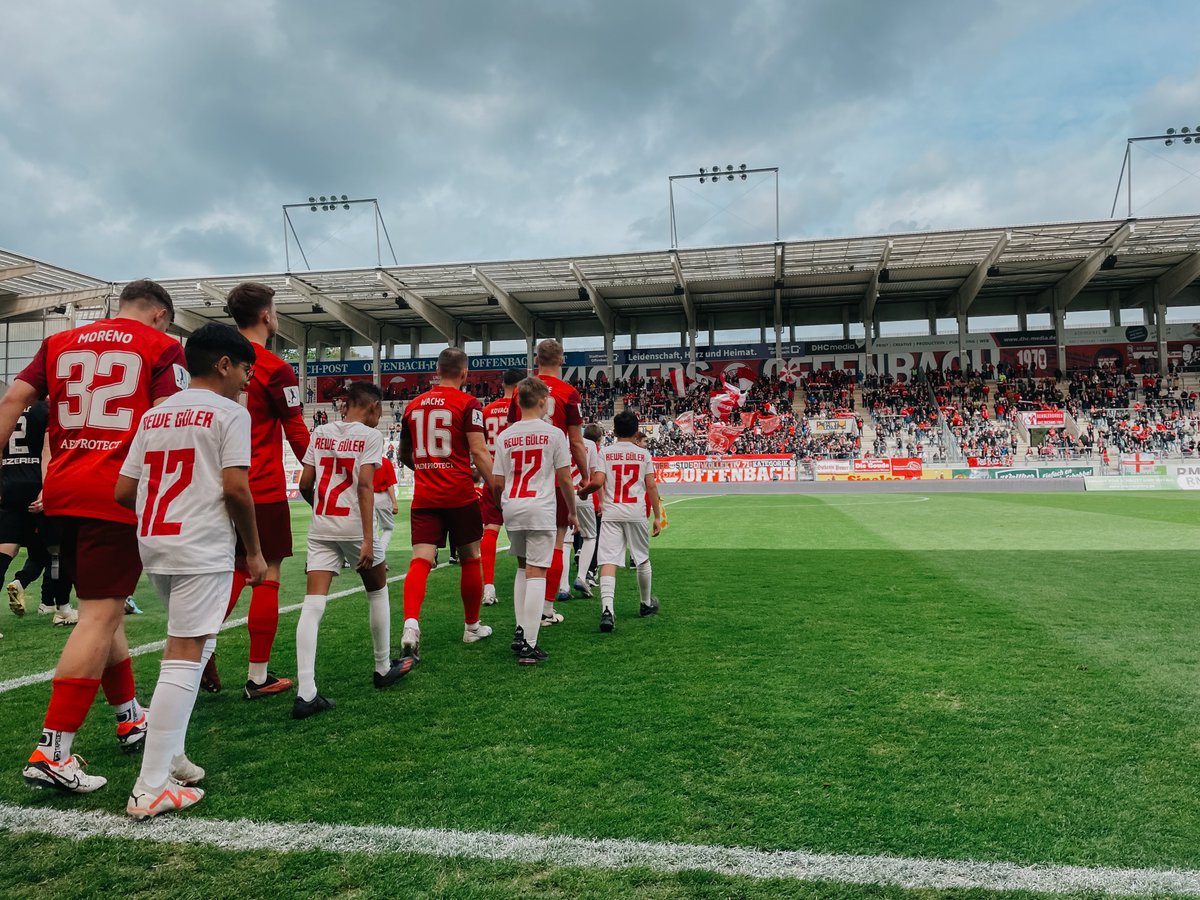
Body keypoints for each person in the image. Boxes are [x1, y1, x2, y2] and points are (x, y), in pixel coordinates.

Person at [0, 279, 189, 793]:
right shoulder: (161, 346)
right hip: (117, 492)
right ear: (159, 316)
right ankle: (54, 748)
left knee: (100, 611)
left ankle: (129, 717)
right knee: (102, 615)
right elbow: (170, 421)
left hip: (61, 489)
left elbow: (14, 398)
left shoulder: (60, 342)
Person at [115, 323, 266, 818]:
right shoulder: (230, 413)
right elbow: (236, 489)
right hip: (200, 543)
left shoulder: (156, 412)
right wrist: (254, 551)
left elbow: (123, 491)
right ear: (224, 363)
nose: (247, 380)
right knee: (185, 651)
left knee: (194, 642)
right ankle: (151, 783)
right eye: (246, 368)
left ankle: (171, 752)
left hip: (156, 540)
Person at [207, 282, 310, 699]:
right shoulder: (275, 367)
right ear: (267, 316)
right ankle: (257, 675)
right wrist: (320, 472)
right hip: (260, 487)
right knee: (266, 576)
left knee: (225, 574)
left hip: (211, 486)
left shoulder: (213, 362)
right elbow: (296, 429)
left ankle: (196, 650)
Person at [294, 381, 412, 720]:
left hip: (321, 525)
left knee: (313, 605)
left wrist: (320, 510)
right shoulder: (371, 436)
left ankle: (306, 692)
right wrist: (364, 538)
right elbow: (364, 485)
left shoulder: (320, 433)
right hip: (353, 524)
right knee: (377, 592)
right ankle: (381, 667)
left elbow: (305, 484)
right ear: (374, 407)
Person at [398, 348, 495, 661]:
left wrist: (428, 470)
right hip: (459, 493)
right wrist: (498, 487)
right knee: (470, 557)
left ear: (437, 371)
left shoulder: (412, 406)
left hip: (425, 495)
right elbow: (479, 452)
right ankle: (471, 627)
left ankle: (411, 625)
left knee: (421, 560)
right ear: (464, 373)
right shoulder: (468, 403)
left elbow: (403, 455)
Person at [492, 377, 576, 665]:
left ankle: (520, 629)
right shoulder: (553, 434)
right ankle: (529, 642)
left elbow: (497, 481)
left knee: (521, 567)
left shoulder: (505, 436)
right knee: (537, 571)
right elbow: (565, 478)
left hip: (513, 506)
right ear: (543, 402)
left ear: (517, 401)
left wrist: (502, 503)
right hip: (540, 507)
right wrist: (573, 510)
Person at [507, 340, 588, 627]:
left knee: (523, 560)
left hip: (521, 479)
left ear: (536, 359)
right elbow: (576, 442)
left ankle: (525, 621)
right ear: (561, 360)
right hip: (553, 476)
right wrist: (586, 476)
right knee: (557, 541)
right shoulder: (569, 392)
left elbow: (512, 432)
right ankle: (545, 609)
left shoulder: (521, 389)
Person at [1, 400, 74, 624]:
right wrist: (46, 489)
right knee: (59, 551)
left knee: (5, 550)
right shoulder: (47, 410)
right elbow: (47, 450)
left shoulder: (7, 408)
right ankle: (61, 608)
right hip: (36, 485)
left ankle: (48, 602)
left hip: (10, 487)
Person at [589, 410, 662, 633]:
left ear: (615, 430)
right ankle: (645, 603)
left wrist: (585, 491)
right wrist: (657, 516)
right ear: (635, 430)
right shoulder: (643, 454)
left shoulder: (606, 452)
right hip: (636, 512)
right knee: (642, 558)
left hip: (611, 513)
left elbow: (598, 481)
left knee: (608, 561)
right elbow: (651, 486)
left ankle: (608, 610)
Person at [479, 368, 524, 606]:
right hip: (518, 475)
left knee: (490, 529)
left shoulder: (486, 411)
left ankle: (488, 588)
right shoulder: (521, 409)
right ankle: (529, 582)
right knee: (524, 531)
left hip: (492, 474)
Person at [571, 423, 604, 598]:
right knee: (591, 536)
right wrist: (603, 501)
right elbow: (595, 477)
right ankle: (584, 575)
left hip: (561, 493)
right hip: (584, 494)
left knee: (565, 539)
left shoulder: (561, 439)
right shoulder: (591, 447)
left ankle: (562, 587)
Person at [372, 453, 399, 552]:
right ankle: (380, 555)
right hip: (382, 496)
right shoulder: (386, 462)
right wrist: (394, 502)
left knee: (371, 530)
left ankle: (373, 556)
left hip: (366, 496)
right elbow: (390, 484)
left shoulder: (364, 460)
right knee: (388, 528)